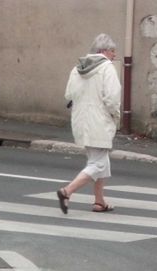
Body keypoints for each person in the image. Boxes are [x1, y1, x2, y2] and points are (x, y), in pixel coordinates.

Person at [56, 34, 122, 214]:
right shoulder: (107, 68)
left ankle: (99, 202)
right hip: (99, 121)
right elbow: (112, 98)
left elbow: (69, 95)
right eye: (112, 51)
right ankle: (66, 191)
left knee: (100, 160)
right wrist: (115, 116)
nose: (114, 55)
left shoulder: (77, 68)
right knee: (98, 164)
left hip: (81, 121)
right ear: (103, 51)